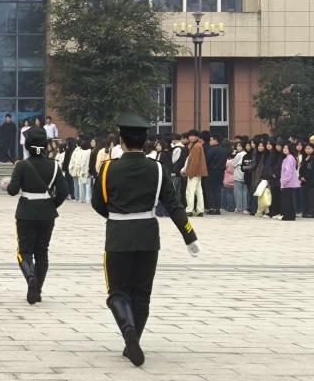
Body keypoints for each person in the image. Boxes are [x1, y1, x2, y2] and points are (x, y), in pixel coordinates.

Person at [92, 113, 199, 367]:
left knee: (117, 292)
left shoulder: (108, 169)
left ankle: (129, 333)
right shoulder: (158, 170)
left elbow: (98, 203)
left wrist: (116, 215)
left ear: (122, 140)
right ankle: (134, 340)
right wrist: (189, 236)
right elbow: (173, 206)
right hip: (148, 237)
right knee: (142, 294)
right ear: (145, 141)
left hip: (118, 236)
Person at [4, 125, 69, 304]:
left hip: (26, 212)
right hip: (47, 214)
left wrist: (11, 180)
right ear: (45, 145)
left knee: (24, 251)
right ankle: (37, 290)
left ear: (27, 146)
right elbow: (63, 191)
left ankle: (30, 277)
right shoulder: (54, 165)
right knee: (42, 252)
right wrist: (51, 205)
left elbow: (13, 191)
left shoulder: (22, 165)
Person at [182, 129, 207, 216]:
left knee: (190, 191)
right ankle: (200, 210)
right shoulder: (198, 145)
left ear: (196, 137)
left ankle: (189, 210)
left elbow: (194, 162)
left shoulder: (196, 146)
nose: (190, 137)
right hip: (199, 172)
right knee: (199, 192)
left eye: (192, 136)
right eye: (189, 136)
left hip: (194, 172)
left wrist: (190, 173)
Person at [205, 134, 227, 215]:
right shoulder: (224, 150)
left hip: (211, 172)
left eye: (211, 140)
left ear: (215, 140)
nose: (210, 142)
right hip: (221, 172)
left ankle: (212, 208)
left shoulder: (211, 150)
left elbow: (207, 161)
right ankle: (218, 209)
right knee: (218, 190)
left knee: (210, 190)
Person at [280, 142, 300, 222]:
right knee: (289, 200)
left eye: (286, 148)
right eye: (284, 148)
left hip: (288, 183)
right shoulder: (288, 158)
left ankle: (287, 216)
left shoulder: (290, 158)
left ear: (290, 149)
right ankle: (291, 216)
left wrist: (284, 182)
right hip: (289, 183)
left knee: (287, 200)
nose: (284, 149)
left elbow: (288, 171)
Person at [300, 142, 314, 218]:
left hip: (311, 181)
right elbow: (301, 168)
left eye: (309, 148)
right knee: (305, 197)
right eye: (306, 148)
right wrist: (301, 176)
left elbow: (311, 170)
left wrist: (306, 177)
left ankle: (311, 212)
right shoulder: (304, 157)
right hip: (304, 181)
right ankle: (305, 212)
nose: (307, 150)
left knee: (311, 197)